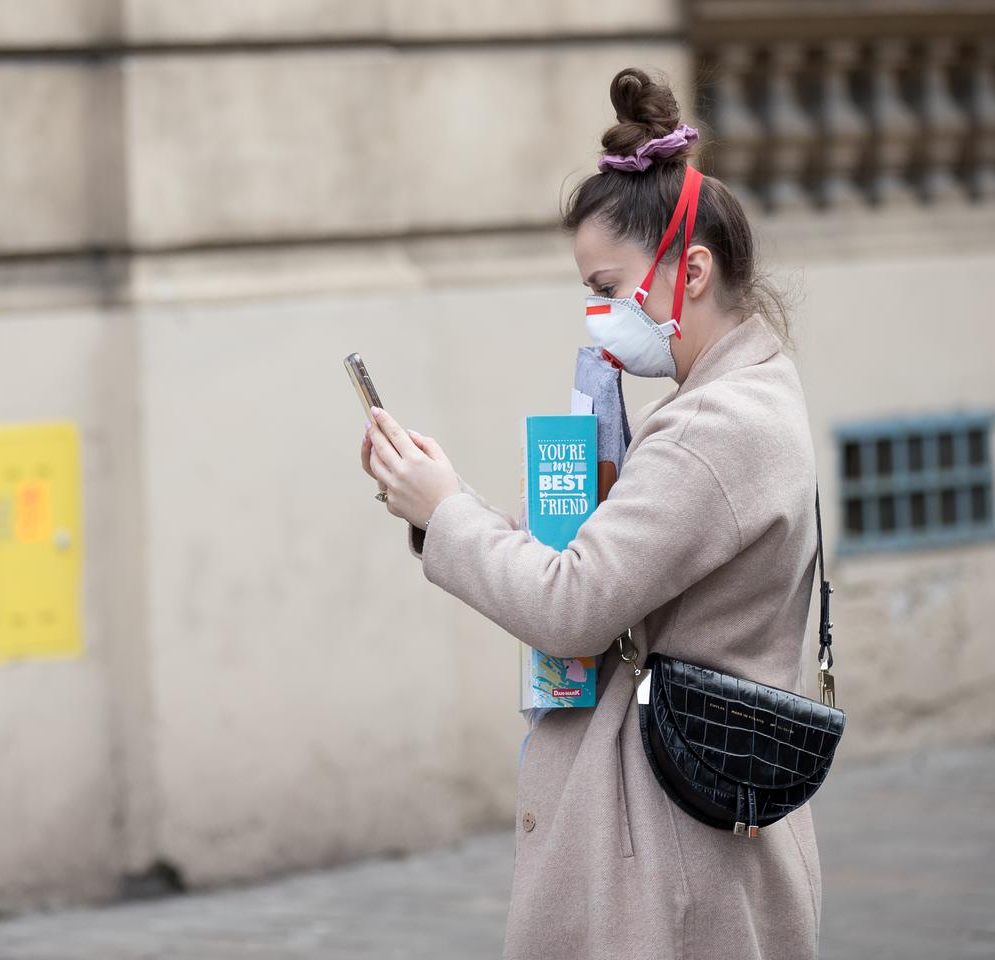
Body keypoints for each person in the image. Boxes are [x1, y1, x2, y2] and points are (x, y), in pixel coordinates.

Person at [359, 66, 822, 960]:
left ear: (690, 271)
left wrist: (445, 512)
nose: (599, 314)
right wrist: (440, 509)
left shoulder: (710, 431)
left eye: (610, 285)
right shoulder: (747, 395)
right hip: (694, 825)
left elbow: (572, 606)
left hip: (666, 854)